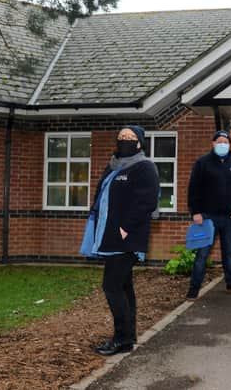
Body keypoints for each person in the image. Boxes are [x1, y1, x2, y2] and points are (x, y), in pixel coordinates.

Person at [91, 125, 160, 355]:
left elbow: (146, 202)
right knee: (123, 285)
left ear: (140, 143)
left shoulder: (145, 167)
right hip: (110, 236)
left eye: (130, 137)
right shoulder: (112, 167)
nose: (125, 140)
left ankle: (120, 338)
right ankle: (128, 338)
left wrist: (126, 228)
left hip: (127, 237)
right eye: (121, 137)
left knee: (111, 286)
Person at [186, 130, 231, 300]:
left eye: (225, 141)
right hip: (207, 217)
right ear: (213, 143)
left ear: (229, 144)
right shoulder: (202, 163)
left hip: (229, 218)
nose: (222, 144)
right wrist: (196, 212)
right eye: (219, 141)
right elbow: (193, 188)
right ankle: (194, 288)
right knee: (202, 255)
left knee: (228, 254)